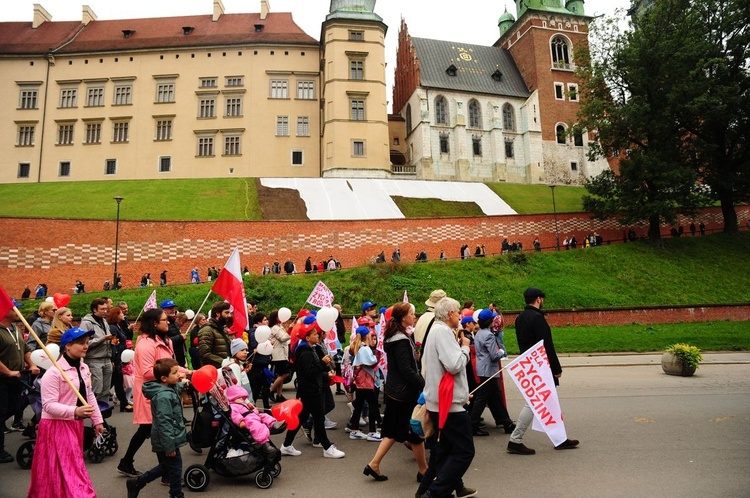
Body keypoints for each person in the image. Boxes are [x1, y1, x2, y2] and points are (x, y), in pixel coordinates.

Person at [27, 327, 102, 496]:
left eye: (87, 343)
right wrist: (75, 410)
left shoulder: (83, 368)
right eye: (81, 343)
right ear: (67, 346)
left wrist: (98, 420)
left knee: (69, 467)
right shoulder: (53, 373)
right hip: (55, 426)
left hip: (75, 424)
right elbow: (48, 405)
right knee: (70, 468)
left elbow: (89, 395)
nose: (86, 346)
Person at [118, 308, 190, 479]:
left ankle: (127, 462)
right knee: (155, 429)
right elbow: (147, 372)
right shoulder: (145, 344)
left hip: (163, 390)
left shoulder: (166, 341)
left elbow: (171, 365)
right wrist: (177, 376)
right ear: (154, 323)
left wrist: (189, 372)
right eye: (165, 320)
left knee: (149, 429)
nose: (169, 322)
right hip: (150, 392)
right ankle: (166, 474)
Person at [508, 287, 579, 455]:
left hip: (529, 365)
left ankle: (560, 438)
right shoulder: (538, 318)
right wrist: (556, 368)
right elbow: (546, 345)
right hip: (541, 367)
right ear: (538, 299)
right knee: (533, 403)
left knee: (548, 402)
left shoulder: (520, 318)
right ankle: (515, 440)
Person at [419, 297, 476, 498]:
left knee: (443, 451)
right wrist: (465, 347)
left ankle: (428, 490)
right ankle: (435, 493)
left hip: (441, 400)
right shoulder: (442, 332)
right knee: (464, 451)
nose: (460, 316)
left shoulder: (436, 330)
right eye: (458, 312)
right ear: (450, 313)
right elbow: (454, 364)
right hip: (448, 404)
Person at [365, 302, 427, 482]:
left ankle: (374, 464)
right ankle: (424, 471)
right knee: (415, 432)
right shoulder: (400, 340)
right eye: (412, 314)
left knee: (393, 431)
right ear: (402, 317)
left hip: (396, 390)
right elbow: (406, 370)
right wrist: (423, 384)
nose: (414, 317)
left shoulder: (396, 336)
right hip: (404, 393)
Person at [280, 322, 345, 459]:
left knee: (302, 418)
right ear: (307, 338)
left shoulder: (309, 350)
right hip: (311, 391)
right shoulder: (306, 352)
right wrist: (323, 363)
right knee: (318, 418)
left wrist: (325, 374)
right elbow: (310, 373)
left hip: (310, 389)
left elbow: (310, 372)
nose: (317, 335)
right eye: (314, 334)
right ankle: (327, 447)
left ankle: (286, 445)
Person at [126, 358, 187, 498]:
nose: (179, 375)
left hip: (168, 437)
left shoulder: (168, 388)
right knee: (176, 468)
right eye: (175, 373)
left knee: (167, 466)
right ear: (164, 378)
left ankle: (137, 483)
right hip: (167, 439)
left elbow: (176, 387)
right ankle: (176, 494)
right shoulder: (163, 397)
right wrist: (169, 445)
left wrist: (185, 384)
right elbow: (164, 422)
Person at [1, 301, 39, 463]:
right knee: (1, 412)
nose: (17, 311)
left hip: (16, 377)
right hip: (2, 378)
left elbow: (25, 350)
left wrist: (31, 364)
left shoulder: (15, 329)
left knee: (15, 406)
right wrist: (8, 371)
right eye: (13, 308)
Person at [471, 309, 515, 435]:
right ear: (490, 321)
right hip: (488, 370)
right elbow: (494, 355)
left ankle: (507, 423)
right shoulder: (489, 335)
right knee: (482, 399)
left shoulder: (479, 333)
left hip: (483, 369)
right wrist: (501, 352)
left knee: (496, 397)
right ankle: (472, 424)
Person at [225, 384, 280, 458]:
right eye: (239, 398)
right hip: (248, 419)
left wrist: (253, 409)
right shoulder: (233, 406)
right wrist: (240, 421)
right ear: (232, 398)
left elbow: (251, 411)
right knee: (258, 426)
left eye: (243, 398)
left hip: (253, 416)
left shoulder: (243, 404)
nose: (242, 400)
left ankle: (274, 424)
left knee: (265, 416)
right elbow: (235, 415)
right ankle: (265, 444)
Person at [347, 327, 380, 441]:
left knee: (360, 404)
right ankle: (372, 431)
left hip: (360, 378)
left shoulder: (359, 347)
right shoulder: (365, 349)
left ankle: (355, 429)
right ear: (367, 336)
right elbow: (371, 362)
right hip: (365, 378)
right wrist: (376, 357)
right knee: (373, 403)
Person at [79, 297, 114, 405]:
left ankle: (102, 417)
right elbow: (84, 343)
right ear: (94, 309)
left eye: (106, 309)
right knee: (96, 390)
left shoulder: (104, 321)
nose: (105, 311)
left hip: (107, 358)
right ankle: (94, 415)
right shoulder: (87, 323)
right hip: (94, 360)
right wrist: (103, 339)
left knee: (105, 391)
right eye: (102, 309)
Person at [107, 306, 131, 412]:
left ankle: (124, 403)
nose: (123, 315)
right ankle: (124, 404)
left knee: (117, 380)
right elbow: (113, 344)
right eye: (121, 313)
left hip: (120, 356)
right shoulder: (113, 327)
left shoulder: (118, 326)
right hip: (116, 357)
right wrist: (113, 358)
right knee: (117, 380)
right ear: (116, 315)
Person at [197, 301, 234, 369]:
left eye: (229, 313)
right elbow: (205, 354)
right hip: (214, 371)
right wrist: (223, 362)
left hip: (225, 369)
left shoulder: (223, 330)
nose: (229, 315)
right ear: (218, 314)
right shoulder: (207, 330)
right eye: (226, 312)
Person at [269, 309, 291, 402]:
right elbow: (282, 338)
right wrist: (290, 331)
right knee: (284, 374)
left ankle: (279, 394)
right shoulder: (274, 327)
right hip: (278, 355)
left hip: (283, 354)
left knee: (280, 374)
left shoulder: (279, 326)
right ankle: (271, 390)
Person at [161, 299, 186, 367]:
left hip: (180, 354)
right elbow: (164, 341)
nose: (172, 309)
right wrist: (180, 337)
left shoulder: (174, 322)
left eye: (173, 307)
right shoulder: (163, 324)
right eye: (169, 308)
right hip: (171, 356)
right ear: (164, 310)